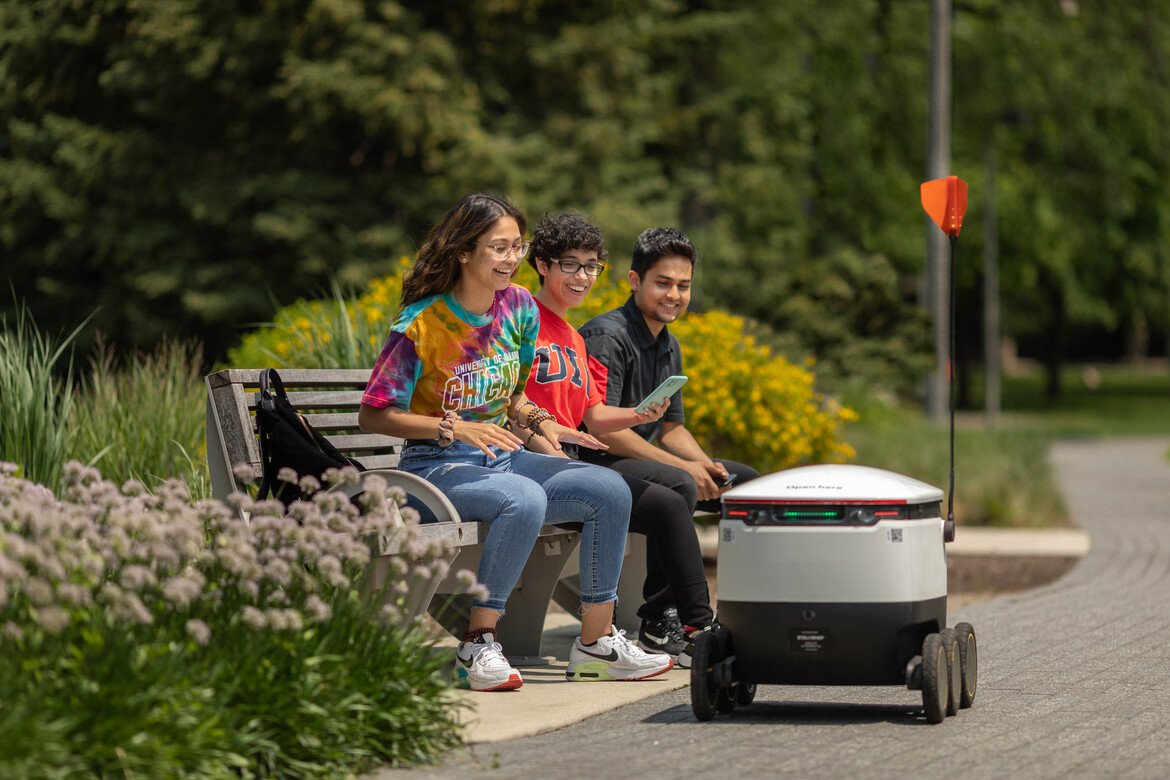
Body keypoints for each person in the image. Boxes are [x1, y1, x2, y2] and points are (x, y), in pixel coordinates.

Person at [358, 193, 672, 691]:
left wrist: (543, 421)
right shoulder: (422, 324)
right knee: (524, 498)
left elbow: (514, 397)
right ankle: (478, 643)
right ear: (465, 251)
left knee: (608, 490)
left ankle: (595, 643)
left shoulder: (519, 308)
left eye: (516, 248)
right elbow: (374, 414)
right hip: (434, 467)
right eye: (499, 248)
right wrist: (453, 427)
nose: (511, 259)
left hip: (502, 456)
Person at [521, 212, 717, 667]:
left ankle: (676, 626)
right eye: (570, 265)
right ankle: (688, 628)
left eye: (590, 266)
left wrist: (637, 413)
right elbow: (511, 403)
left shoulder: (571, 334)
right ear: (542, 265)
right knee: (673, 491)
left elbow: (591, 413)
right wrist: (544, 442)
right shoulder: (526, 319)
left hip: (570, 463)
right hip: (543, 467)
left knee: (729, 484)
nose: (582, 276)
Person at [578, 226, 760, 649]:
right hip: (596, 461)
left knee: (744, 482)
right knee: (677, 485)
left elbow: (671, 428)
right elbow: (606, 429)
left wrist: (705, 464)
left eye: (683, 286)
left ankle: (752, 604)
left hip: (638, 460)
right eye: (663, 283)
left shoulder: (669, 343)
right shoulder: (608, 336)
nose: (674, 295)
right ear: (634, 280)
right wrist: (683, 468)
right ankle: (667, 618)